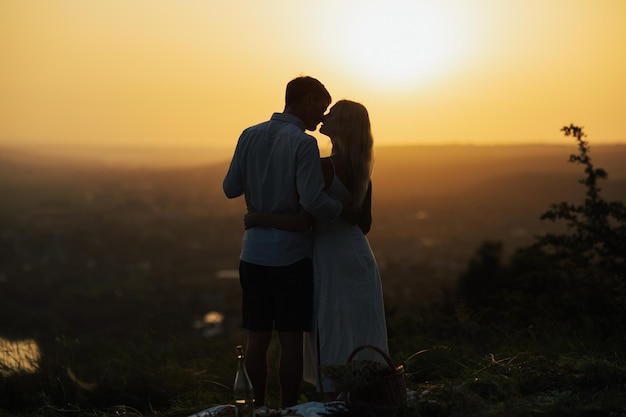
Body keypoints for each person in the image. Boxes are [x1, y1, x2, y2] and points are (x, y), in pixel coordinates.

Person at [245, 100, 389, 395]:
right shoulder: (362, 167)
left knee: (332, 325)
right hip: (358, 254)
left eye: (332, 113)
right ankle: (366, 390)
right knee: (359, 327)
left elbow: (302, 221)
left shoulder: (325, 167)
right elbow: (365, 224)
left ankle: (336, 392)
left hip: (330, 257)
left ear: (343, 125)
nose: (325, 115)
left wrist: (259, 217)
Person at [223, 76, 346, 408]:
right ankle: (289, 410)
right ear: (304, 100)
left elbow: (230, 187)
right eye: (320, 107)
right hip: (291, 256)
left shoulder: (249, 134)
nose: (321, 117)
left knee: (256, 339)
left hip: (253, 254)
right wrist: (344, 208)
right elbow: (313, 200)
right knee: (290, 340)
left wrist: (259, 194)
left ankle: (256, 409)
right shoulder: (303, 143)